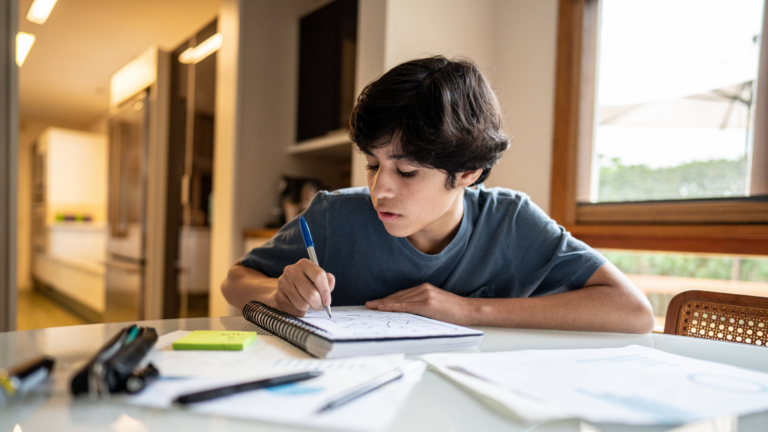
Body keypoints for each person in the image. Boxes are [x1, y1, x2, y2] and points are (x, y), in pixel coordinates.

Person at [221, 56, 655, 334]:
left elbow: (633, 312)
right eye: (373, 165)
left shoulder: (512, 222)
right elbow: (234, 279)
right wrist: (278, 294)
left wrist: (468, 311)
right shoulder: (337, 215)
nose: (380, 189)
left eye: (406, 171)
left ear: (467, 171)